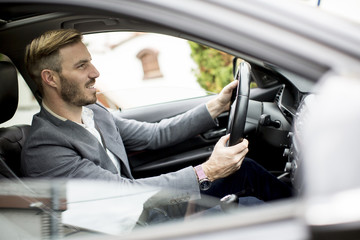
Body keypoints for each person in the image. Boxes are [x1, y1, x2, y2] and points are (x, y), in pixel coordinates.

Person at [21, 29, 292, 220]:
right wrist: (207, 171)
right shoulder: (45, 146)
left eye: (90, 62)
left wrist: (217, 105)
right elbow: (118, 194)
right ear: (51, 78)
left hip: (145, 208)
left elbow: (155, 135)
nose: (95, 72)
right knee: (252, 211)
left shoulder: (93, 112)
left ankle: (311, 214)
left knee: (247, 170)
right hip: (131, 226)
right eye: (82, 66)